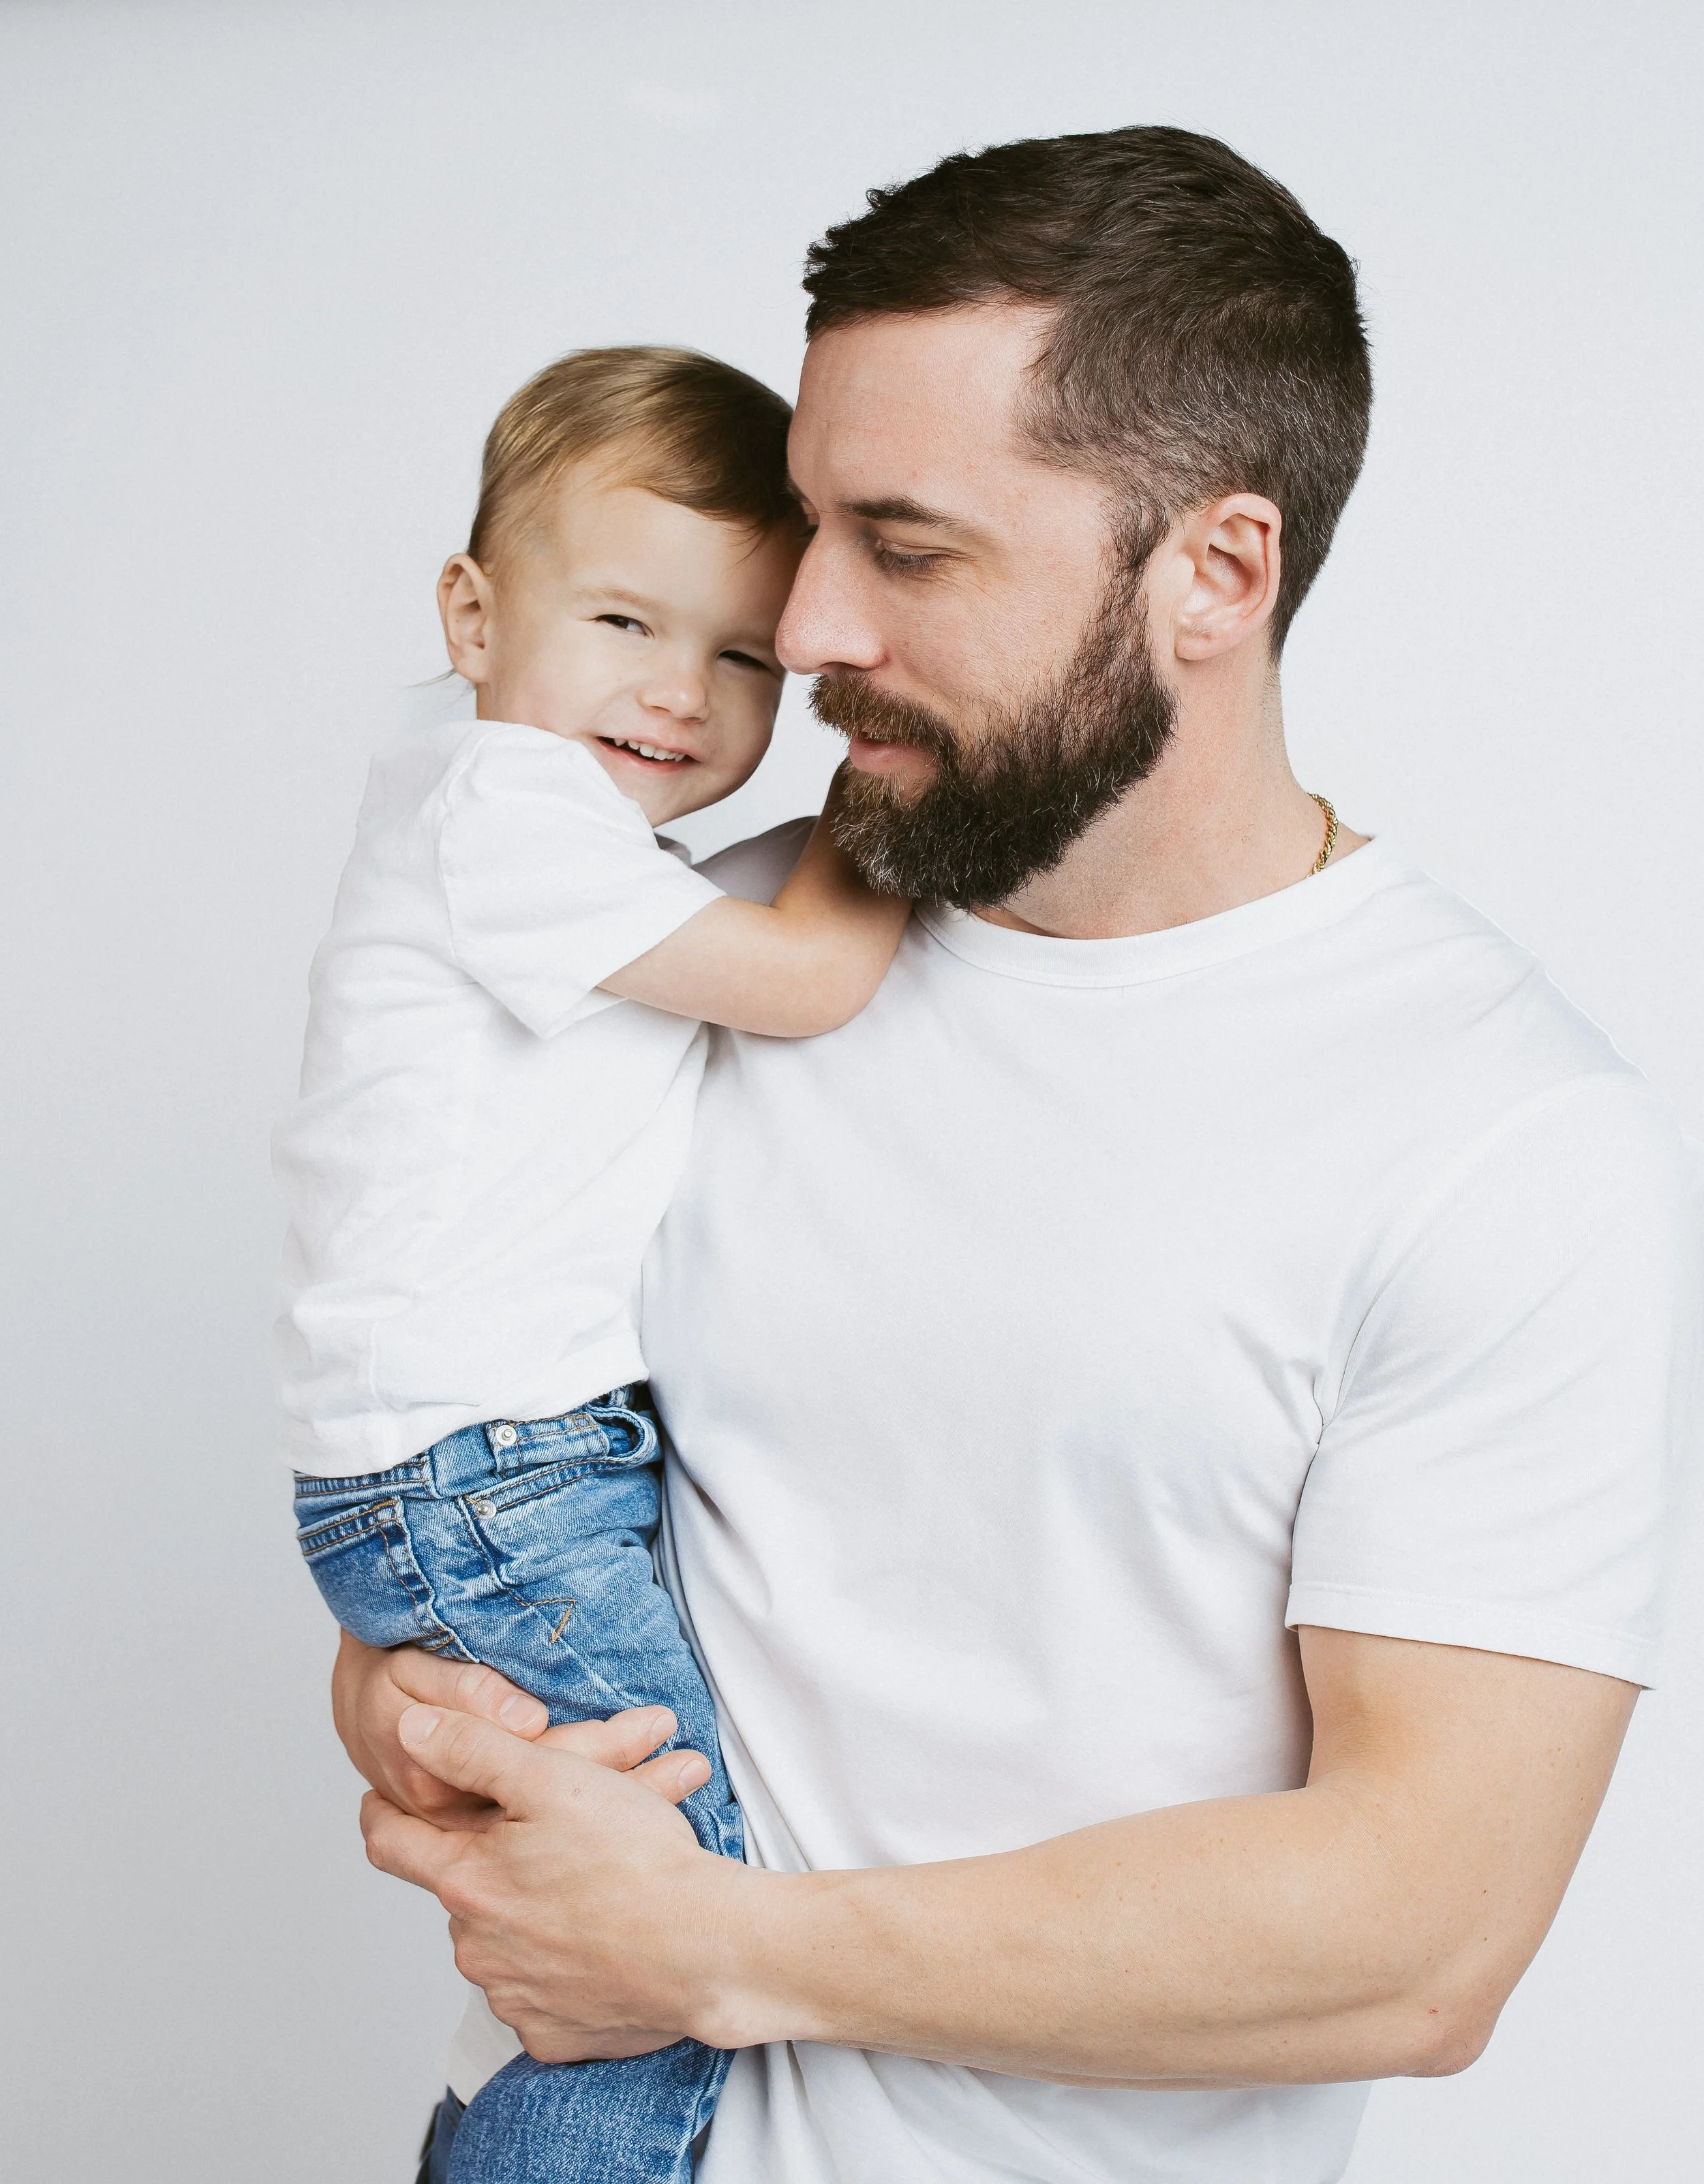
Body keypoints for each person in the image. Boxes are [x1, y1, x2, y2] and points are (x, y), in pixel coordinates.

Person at [336, 129, 1704, 2184]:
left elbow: (1417, 1937)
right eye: (805, 526)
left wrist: (717, 1948)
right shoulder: (701, 948)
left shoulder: (1500, 1140)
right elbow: (464, 1445)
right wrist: (412, 1704)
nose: (798, 627)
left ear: (1211, 575)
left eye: (907, 543)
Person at [273, 345, 909, 2183]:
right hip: (496, 1472)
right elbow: (803, 971)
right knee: (655, 1940)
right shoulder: (506, 810)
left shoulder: (530, 832)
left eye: (741, 659)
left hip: (479, 1468)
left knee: (614, 1909)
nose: (677, 693)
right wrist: (897, 775)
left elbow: (739, 913)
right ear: (471, 612)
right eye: (625, 617)